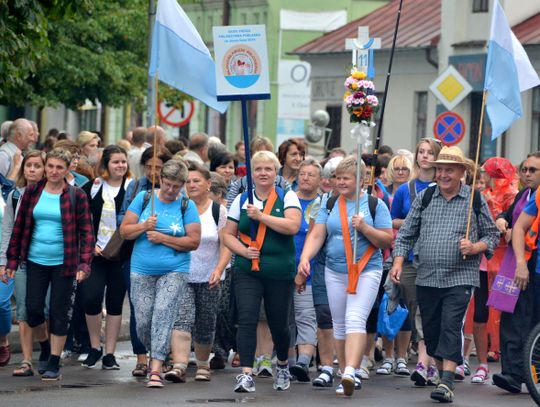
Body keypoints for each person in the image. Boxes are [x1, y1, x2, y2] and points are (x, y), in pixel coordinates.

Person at [390, 146, 499, 403]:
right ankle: (443, 377)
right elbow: (406, 234)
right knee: (431, 330)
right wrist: (396, 263)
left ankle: (448, 381)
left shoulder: (474, 198)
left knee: (451, 325)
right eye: (440, 169)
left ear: (462, 172)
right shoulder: (425, 198)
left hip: (460, 276)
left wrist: (475, 247)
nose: (443, 174)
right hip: (426, 276)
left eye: (449, 169)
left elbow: (492, 234)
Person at [298, 156, 393, 397]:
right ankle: (344, 372)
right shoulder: (328, 203)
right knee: (338, 323)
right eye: (337, 177)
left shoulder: (374, 205)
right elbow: (317, 235)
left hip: (366, 270)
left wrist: (365, 228)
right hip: (334, 270)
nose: (339, 182)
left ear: (360, 180)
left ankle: (352, 370)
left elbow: (386, 239)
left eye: (345, 178)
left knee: (355, 318)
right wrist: (305, 258)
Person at [5, 148, 95, 381]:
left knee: (59, 312)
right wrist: (11, 261)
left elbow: (87, 233)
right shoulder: (33, 191)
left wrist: (84, 265)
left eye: (59, 168)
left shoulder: (76, 195)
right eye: (51, 166)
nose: (54, 171)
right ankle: (45, 347)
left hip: (65, 263)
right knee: (33, 310)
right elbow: (19, 228)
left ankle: (54, 360)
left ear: (67, 170)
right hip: (34, 260)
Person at [223, 151, 301, 393]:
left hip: (279, 270)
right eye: (258, 169)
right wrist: (243, 252)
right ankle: (246, 373)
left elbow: (292, 226)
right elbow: (227, 234)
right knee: (246, 318)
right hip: (248, 269)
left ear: (276, 172)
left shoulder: (287, 196)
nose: (263, 173)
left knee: (278, 323)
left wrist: (261, 216)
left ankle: (283, 365)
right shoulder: (242, 199)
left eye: (268, 169)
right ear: (252, 174)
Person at [120, 159, 201, 388]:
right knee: (143, 321)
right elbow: (125, 231)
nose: (170, 190)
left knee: (163, 313)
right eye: (167, 184)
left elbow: (193, 241)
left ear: (183, 184)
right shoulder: (144, 198)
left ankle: (155, 370)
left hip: (174, 269)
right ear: (161, 180)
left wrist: (164, 238)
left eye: (176, 186)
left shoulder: (187, 205)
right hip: (142, 268)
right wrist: (144, 226)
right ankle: (160, 352)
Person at [166, 162, 229, 383]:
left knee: (205, 321)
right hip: (181, 274)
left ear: (208, 184)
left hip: (209, 276)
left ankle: (203, 364)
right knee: (181, 319)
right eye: (188, 181)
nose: (191, 185)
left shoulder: (218, 210)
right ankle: (180, 365)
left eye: (196, 181)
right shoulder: (177, 207)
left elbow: (226, 243)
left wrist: (219, 269)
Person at [387, 138, 441, 383]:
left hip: (437, 258)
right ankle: (425, 362)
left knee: (430, 311)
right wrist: (414, 221)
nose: (425, 156)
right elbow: (392, 220)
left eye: (430, 152)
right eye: (421, 152)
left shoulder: (445, 185)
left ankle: (426, 363)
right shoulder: (405, 189)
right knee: (416, 309)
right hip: (410, 257)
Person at [118, 146, 172, 377]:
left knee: (164, 308)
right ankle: (141, 357)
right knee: (139, 308)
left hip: (167, 255)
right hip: (136, 254)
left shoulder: (174, 190)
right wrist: (142, 222)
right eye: (148, 166)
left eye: (158, 168)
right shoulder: (136, 186)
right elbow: (122, 217)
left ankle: (161, 356)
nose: (152, 172)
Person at [80, 145, 132, 369]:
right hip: (96, 253)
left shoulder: (132, 188)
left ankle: (110, 353)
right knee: (90, 298)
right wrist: (87, 245)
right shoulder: (93, 187)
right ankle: (94, 347)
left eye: (123, 161)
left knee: (114, 302)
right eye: (116, 162)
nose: (121, 166)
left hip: (121, 254)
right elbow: (80, 217)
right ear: (106, 165)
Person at [492, 151, 540, 394]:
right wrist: (502, 222)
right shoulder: (524, 195)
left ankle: (530, 374)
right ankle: (511, 373)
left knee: (532, 322)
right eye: (525, 170)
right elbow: (509, 216)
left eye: (533, 170)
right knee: (512, 317)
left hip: (534, 264)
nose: (527, 174)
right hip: (517, 264)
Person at [0, 151, 48, 376]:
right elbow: (8, 229)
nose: (31, 170)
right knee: (23, 311)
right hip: (20, 260)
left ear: (45, 169)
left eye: (37, 166)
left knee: (43, 309)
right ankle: (27, 361)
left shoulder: (53, 194)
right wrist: (4, 261)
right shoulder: (15, 195)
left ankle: (47, 349)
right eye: (28, 165)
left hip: (46, 259)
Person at [289, 159, 321, 382]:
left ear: (320, 180)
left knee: (306, 316)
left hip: (311, 269)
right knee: (284, 317)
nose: (306, 178)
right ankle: (288, 360)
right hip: (284, 267)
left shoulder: (323, 204)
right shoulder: (287, 200)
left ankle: (303, 361)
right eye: (303, 173)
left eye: (311, 174)